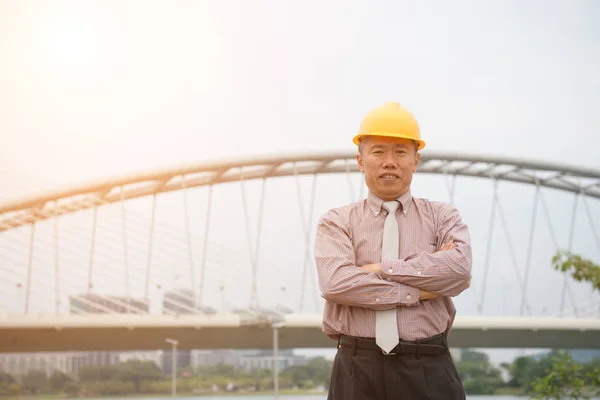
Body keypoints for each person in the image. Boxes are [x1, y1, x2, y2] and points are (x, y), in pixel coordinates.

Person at [314, 102, 472, 399]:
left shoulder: (443, 217)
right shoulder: (336, 221)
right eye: (378, 152)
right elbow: (336, 283)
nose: (390, 161)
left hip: (428, 364)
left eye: (400, 152)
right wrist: (420, 291)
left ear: (416, 160)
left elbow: (459, 272)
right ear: (360, 160)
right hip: (356, 368)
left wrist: (380, 268)